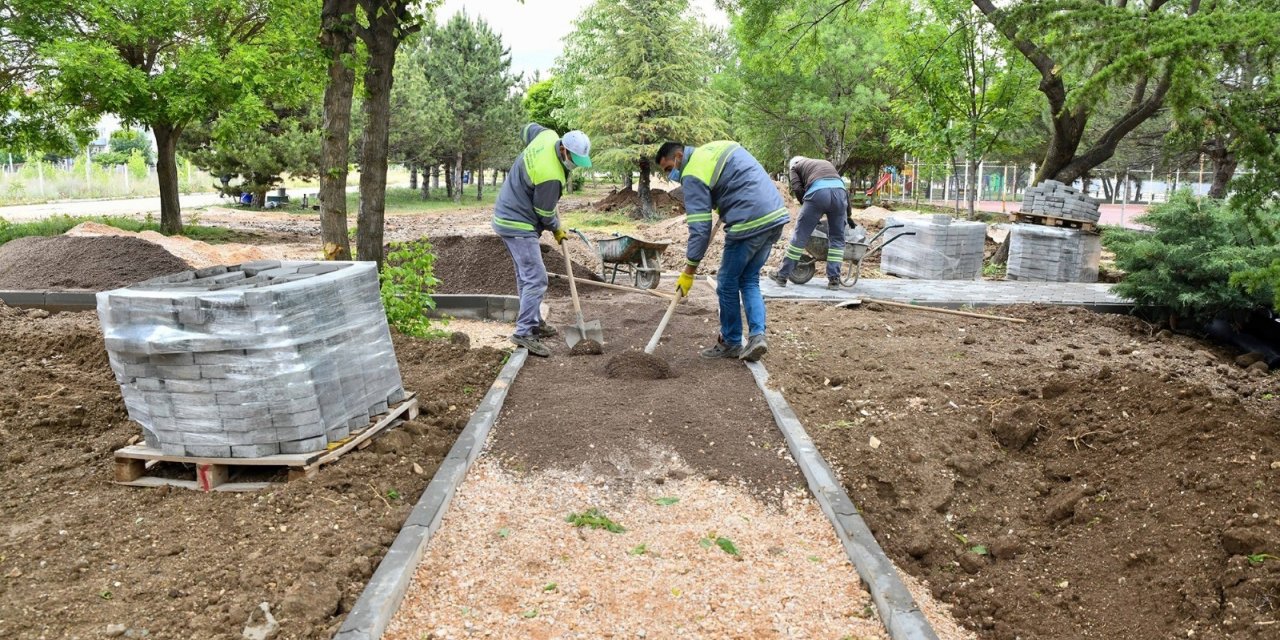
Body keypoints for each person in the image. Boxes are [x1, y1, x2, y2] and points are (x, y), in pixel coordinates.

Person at [655, 140, 789, 362]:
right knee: (749, 279)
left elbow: (699, 229)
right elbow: (737, 178)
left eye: (669, 168)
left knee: (727, 282)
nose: (670, 174)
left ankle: (730, 342)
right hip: (774, 215)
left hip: (749, 221)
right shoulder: (712, 150)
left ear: (678, 156)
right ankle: (757, 336)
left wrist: (689, 272)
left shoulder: (692, 172)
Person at [492, 123, 592, 357]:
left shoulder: (546, 135)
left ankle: (533, 321)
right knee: (536, 279)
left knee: (526, 277)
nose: (575, 165)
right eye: (574, 159)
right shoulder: (551, 175)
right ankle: (524, 332)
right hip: (518, 223)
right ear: (564, 151)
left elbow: (526, 128)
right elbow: (545, 213)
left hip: (506, 215)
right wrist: (557, 229)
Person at [769, 156, 850, 290]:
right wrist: (849, 214)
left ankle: (782, 276)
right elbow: (841, 189)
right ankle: (834, 280)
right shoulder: (825, 163)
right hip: (840, 195)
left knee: (800, 237)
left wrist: (806, 206)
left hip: (817, 194)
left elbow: (797, 188)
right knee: (837, 239)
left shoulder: (795, 167)